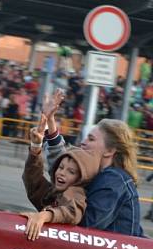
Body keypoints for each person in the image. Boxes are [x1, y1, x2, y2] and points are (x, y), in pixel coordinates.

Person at [43, 89, 143, 236]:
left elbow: (87, 225)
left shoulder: (113, 179)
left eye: (91, 139)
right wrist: (50, 120)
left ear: (109, 151)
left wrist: (51, 214)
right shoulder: (96, 173)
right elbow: (63, 166)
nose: (83, 143)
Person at [22, 118, 100, 241]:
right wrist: (35, 147)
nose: (62, 173)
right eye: (61, 167)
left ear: (81, 177)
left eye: (71, 172)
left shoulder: (75, 192)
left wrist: (44, 216)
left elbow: (71, 212)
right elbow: (34, 182)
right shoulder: (56, 192)